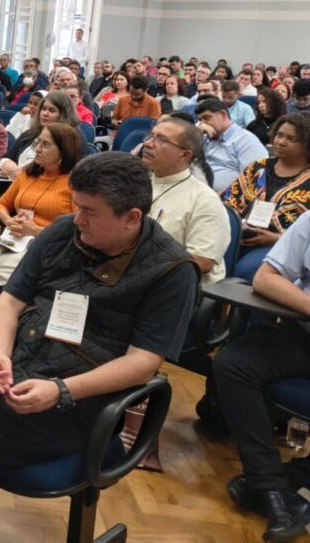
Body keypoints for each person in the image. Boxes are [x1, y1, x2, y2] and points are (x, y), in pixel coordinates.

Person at [0, 152, 198, 543]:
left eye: (89, 212)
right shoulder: (64, 231)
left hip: (80, 395)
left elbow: (142, 364)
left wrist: (60, 390)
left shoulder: (171, 271)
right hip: (22, 357)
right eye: (76, 206)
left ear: (131, 217)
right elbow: (8, 302)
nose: (77, 218)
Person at [209, 212, 310, 542]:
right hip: (303, 332)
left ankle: (274, 484)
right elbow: (266, 279)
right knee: (233, 364)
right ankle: (273, 487)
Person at [0, 123, 80, 305]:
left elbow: (76, 231)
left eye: (45, 145)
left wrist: (35, 230)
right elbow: (1, 205)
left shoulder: (74, 184)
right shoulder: (27, 174)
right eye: (38, 142)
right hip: (13, 239)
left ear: (63, 152)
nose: (37, 149)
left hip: (44, 247)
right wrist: (8, 220)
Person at [141, 117, 229, 285]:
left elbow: (202, 261)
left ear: (184, 154)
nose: (148, 144)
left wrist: (139, 264)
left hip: (179, 287)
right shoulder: (141, 184)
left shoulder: (204, 200)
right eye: (151, 136)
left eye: (161, 139)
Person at [222, 113, 310, 281]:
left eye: (291, 139)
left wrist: (276, 239)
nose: (281, 142)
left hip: (282, 245)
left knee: (244, 271)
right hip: (240, 234)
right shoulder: (259, 166)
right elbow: (230, 202)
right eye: (279, 135)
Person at [195, 97, 268, 194]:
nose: (203, 124)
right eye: (200, 120)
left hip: (225, 199)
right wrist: (196, 133)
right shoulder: (203, 137)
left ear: (223, 115)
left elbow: (253, 182)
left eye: (207, 118)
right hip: (195, 192)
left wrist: (215, 197)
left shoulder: (245, 140)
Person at [0, 91, 79, 179]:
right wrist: (12, 168)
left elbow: (63, 168)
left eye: (52, 110)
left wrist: (22, 172)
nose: (45, 114)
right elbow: (6, 158)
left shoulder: (70, 138)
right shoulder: (30, 133)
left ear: (63, 115)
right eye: (43, 109)